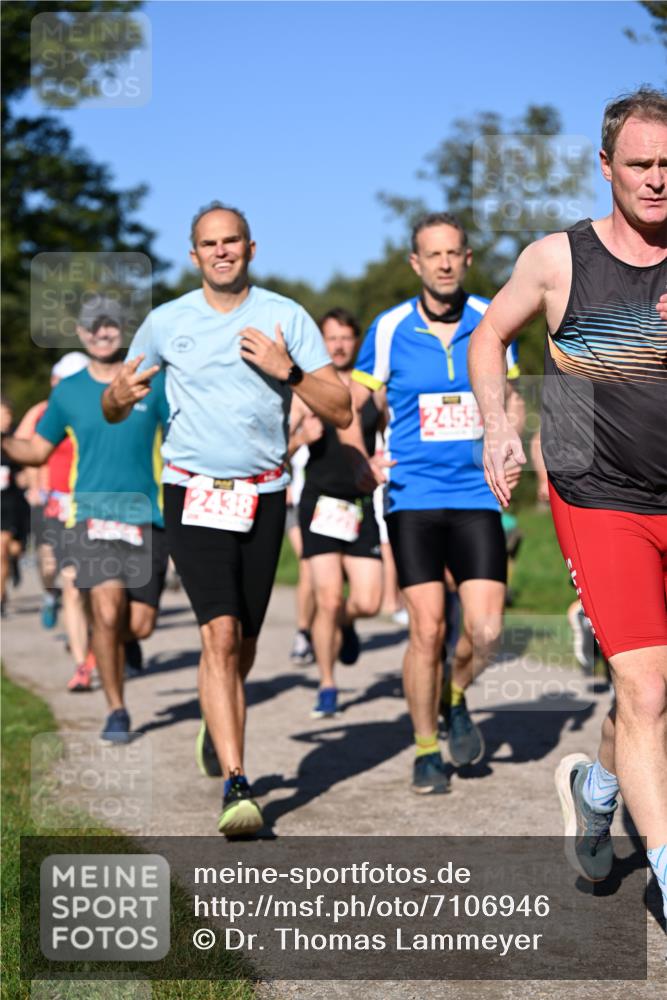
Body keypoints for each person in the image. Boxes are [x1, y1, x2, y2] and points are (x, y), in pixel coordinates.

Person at [467, 88, 667, 923]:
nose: (657, 179)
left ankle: (596, 784)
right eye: (640, 164)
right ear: (604, 168)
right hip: (598, 491)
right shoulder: (559, 259)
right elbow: (488, 335)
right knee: (646, 685)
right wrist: (496, 423)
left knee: (647, 697)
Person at [102, 202, 351, 836]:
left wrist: (287, 370)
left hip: (264, 495)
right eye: (209, 244)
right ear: (194, 255)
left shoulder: (284, 317)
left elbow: (342, 409)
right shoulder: (165, 322)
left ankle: (220, 719)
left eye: (231, 241)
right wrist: (116, 397)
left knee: (243, 642)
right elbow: (114, 405)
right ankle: (238, 783)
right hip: (191, 492)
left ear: (250, 247)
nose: (221, 252)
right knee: (217, 633)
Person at [341, 212, 523, 794]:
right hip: (412, 496)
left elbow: (511, 395)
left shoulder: (492, 319)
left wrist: (509, 438)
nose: (444, 263)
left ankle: (455, 692)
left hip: (477, 493)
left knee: (488, 630)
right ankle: (425, 749)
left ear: (467, 259)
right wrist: (361, 459)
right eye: (432, 255)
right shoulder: (390, 328)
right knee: (426, 628)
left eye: (454, 253)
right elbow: (352, 408)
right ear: (416, 264)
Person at [2, 306, 170, 740]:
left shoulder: (153, 380)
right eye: (93, 327)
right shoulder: (69, 392)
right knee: (108, 609)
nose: (102, 333)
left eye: (110, 325)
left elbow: (181, 435)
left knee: (139, 625)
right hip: (92, 516)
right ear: (80, 333)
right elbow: (38, 450)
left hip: (147, 516)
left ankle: (120, 641)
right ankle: (117, 709)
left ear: (123, 330)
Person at [291, 308, 383, 718]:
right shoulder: (306, 389)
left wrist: (381, 460)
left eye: (347, 338)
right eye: (332, 338)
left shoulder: (373, 391)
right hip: (319, 503)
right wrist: (299, 437)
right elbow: (279, 448)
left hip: (360, 505)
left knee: (368, 601)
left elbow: (387, 436)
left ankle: (346, 624)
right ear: (321, 343)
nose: (340, 345)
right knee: (327, 599)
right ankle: (327, 684)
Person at [15, 352, 96, 689]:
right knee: (58, 573)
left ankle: (94, 650)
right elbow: (28, 452)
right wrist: (37, 488)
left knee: (87, 585)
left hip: (93, 504)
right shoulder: (42, 412)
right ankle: (52, 600)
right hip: (57, 503)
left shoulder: (98, 408)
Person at [0, 398, 31, 615]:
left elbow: (27, 469)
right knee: (1, 550)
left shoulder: (15, 441)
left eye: (8, 415)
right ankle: (0, 598)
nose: (6, 420)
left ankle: (14, 565)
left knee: (14, 549)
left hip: (13, 503)